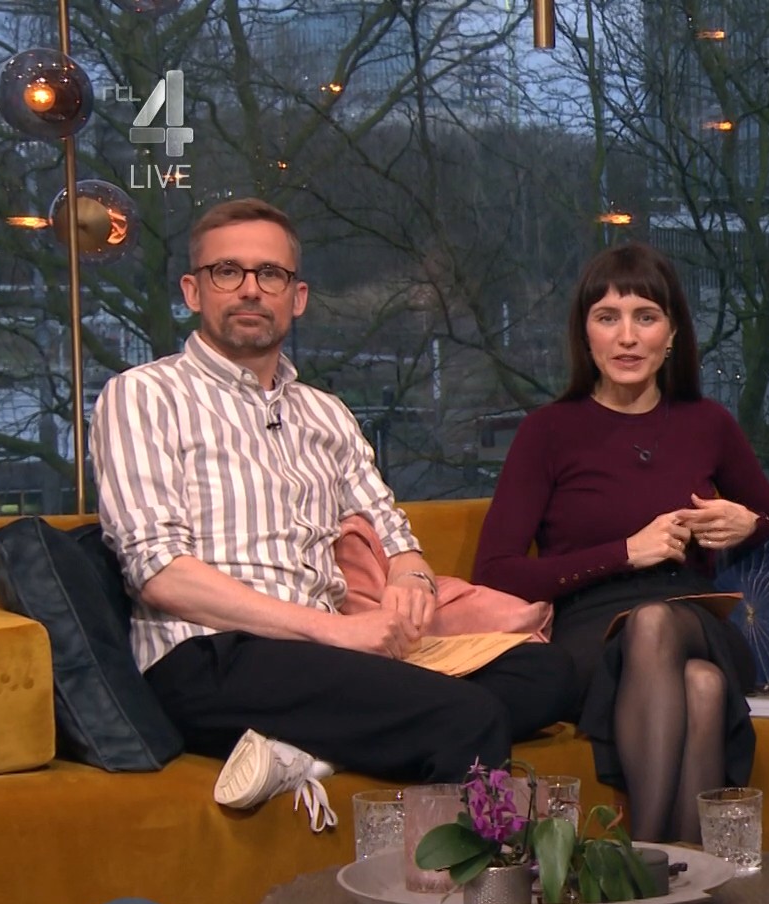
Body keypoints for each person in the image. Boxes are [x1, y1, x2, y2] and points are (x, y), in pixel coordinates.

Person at [92, 198, 577, 832]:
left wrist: (409, 581)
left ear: (297, 297)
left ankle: (307, 752)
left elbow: (393, 533)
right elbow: (160, 573)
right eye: (227, 271)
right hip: (207, 656)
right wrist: (335, 632)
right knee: (467, 717)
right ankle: (462, 894)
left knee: (548, 674)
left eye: (270, 274)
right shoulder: (143, 395)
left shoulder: (325, 413)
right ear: (192, 290)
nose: (250, 289)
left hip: (326, 660)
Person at [472, 243, 769, 843]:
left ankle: (640, 859)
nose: (627, 337)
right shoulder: (547, 432)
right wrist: (624, 552)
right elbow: (495, 571)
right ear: (585, 333)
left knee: (660, 624)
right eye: (607, 317)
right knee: (701, 687)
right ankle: (679, 870)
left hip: (695, 615)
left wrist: (750, 524)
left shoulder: (708, 423)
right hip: (591, 633)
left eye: (645, 317)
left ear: (671, 334)